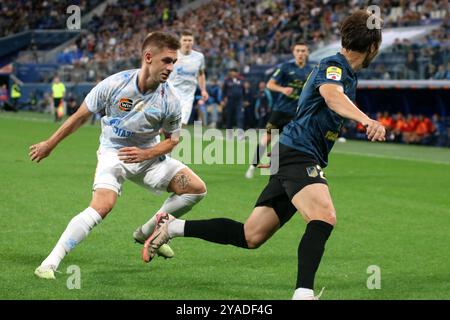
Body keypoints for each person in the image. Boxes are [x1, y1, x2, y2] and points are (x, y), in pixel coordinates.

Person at [142, 10, 386, 300]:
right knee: (324, 217)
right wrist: (367, 120)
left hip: (295, 155)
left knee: (251, 236)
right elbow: (332, 96)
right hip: (298, 153)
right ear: (373, 47)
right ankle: (303, 294)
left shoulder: (343, 71)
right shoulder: (335, 65)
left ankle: (172, 227)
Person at [30, 31, 207, 279]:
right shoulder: (115, 84)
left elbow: (172, 141)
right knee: (103, 206)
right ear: (148, 57)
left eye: (174, 62)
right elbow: (81, 115)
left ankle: (147, 231)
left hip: (148, 156)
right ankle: (50, 262)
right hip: (114, 153)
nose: (171, 67)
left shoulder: (171, 100)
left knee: (196, 189)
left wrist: (146, 153)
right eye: (166, 60)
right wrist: (50, 144)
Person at [246, 42, 313, 178]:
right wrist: (283, 89)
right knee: (268, 138)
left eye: (303, 51)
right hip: (281, 110)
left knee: (295, 141)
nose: (300, 53)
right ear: (294, 52)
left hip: (299, 112)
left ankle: (287, 169)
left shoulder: (311, 70)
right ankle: (253, 166)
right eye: (298, 50)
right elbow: (270, 84)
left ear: (307, 53)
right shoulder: (285, 67)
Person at [168, 30, 208, 126]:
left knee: (182, 124)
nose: (187, 43)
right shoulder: (173, 54)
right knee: (166, 125)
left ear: (193, 42)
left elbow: (201, 74)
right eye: (185, 40)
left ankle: (169, 139)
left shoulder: (199, 57)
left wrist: (203, 90)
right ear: (180, 41)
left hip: (188, 95)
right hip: (171, 93)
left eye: (189, 40)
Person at [222, 68, 246, 139]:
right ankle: (229, 134)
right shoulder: (227, 80)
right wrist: (224, 99)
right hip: (230, 101)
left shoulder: (241, 80)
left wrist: (244, 100)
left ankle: (240, 135)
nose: (234, 73)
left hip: (239, 101)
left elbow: (243, 90)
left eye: (235, 72)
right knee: (229, 117)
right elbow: (224, 90)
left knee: (240, 117)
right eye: (232, 72)